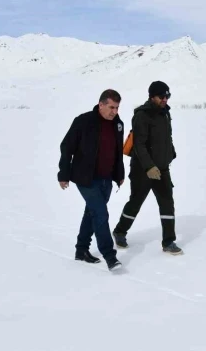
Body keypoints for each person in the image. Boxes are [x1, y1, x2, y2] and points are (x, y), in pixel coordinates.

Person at [113, 81, 183, 255]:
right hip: (142, 170)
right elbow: (139, 145)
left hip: (162, 169)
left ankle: (169, 242)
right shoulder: (142, 115)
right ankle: (120, 231)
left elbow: (167, 137)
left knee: (167, 204)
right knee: (136, 202)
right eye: (162, 96)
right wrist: (149, 167)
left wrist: (170, 154)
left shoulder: (165, 113)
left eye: (168, 96)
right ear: (152, 96)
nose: (165, 99)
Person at [58, 89, 125, 271]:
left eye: (117, 108)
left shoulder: (118, 124)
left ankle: (81, 250)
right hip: (85, 178)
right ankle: (110, 256)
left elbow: (118, 152)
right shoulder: (84, 121)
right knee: (101, 214)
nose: (114, 112)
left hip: (106, 178)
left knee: (92, 213)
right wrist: (63, 174)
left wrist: (119, 174)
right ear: (101, 104)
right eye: (111, 107)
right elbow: (66, 147)